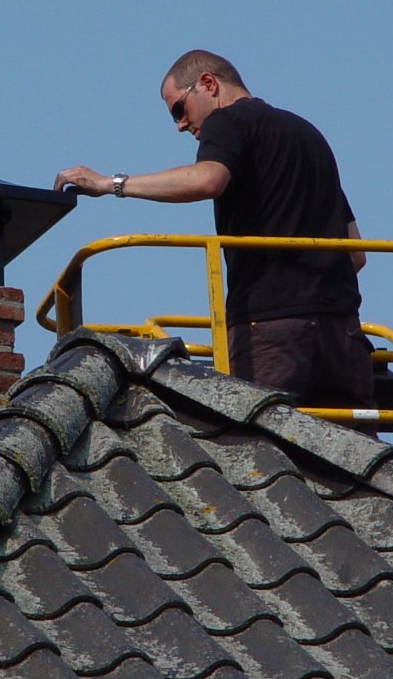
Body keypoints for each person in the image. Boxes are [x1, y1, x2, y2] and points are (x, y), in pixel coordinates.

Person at [54, 49, 374, 412]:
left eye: (179, 109)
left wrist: (111, 184)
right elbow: (356, 253)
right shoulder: (309, 136)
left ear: (208, 84)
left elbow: (208, 179)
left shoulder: (228, 120)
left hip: (269, 330)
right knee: (352, 447)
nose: (180, 125)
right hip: (343, 333)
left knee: (262, 443)